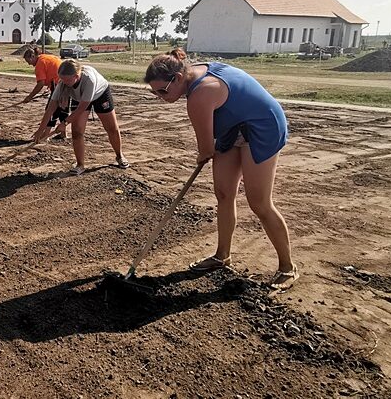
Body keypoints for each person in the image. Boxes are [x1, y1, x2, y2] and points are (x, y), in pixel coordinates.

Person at [143, 48, 297, 289]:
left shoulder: (200, 95)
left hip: (262, 126)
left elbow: (206, 148)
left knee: (259, 202)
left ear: (179, 78)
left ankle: (287, 268)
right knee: (224, 193)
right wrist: (207, 152)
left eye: (163, 91)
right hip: (232, 127)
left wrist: (203, 155)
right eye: (154, 93)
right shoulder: (192, 74)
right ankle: (222, 256)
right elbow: (210, 144)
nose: (160, 97)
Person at [32, 59, 129, 175]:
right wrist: (40, 130)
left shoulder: (89, 80)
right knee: (77, 132)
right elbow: (50, 109)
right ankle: (80, 165)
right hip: (80, 99)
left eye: (67, 80)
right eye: (61, 79)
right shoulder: (63, 83)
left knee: (112, 128)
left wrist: (65, 123)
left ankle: (119, 155)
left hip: (100, 94)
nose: (63, 82)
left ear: (76, 76)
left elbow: (82, 108)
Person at [22, 47, 67, 139]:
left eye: (28, 61)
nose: (29, 64)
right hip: (66, 83)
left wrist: (29, 97)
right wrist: (50, 87)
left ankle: (45, 135)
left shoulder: (40, 64)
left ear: (32, 56)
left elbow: (40, 84)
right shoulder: (44, 57)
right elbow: (51, 71)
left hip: (60, 84)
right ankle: (63, 134)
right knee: (62, 109)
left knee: (50, 109)